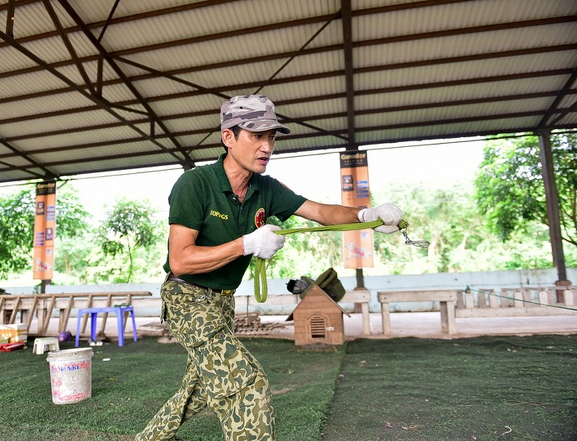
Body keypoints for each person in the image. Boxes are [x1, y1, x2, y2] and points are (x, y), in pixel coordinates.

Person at [135, 94, 403, 441]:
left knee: (200, 390)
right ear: (228, 137)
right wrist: (247, 244)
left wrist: (365, 216)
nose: (267, 146)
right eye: (255, 135)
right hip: (187, 297)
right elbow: (180, 260)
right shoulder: (195, 184)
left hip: (222, 302)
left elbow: (321, 212)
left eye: (271, 136)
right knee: (248, 385)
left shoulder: (266, 188)